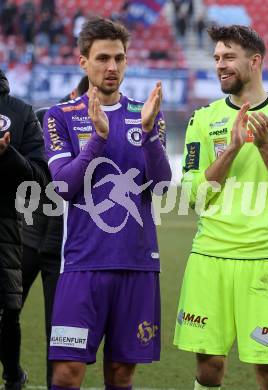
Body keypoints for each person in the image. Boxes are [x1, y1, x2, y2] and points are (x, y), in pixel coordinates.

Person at [174, 25, 268, 390]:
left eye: (229, 57)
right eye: (217, 58)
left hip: (267, 259)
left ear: (255, 62)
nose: (220, 65)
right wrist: (232, 149)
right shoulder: (203, 120)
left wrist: (266, 147)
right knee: (209, 368)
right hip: (210, 258)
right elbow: (194, 196)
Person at [42, 17, 171, 389]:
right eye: (102, 58)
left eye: (119, 58)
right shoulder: (60, 117)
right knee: (66, 374)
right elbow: (64, 186)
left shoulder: (145, 114)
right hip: (83, 264)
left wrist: (147, 135)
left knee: (121, 373)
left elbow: (161, 184)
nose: (111, 67)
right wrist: (98, 139)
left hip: (137, 264)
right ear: (83, 62)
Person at [20, 75, 89, 389]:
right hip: (26, 235)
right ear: (75, 94)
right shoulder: (41, 119)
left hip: (64, 249)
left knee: (58, 333)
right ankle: (11, 372)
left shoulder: (101, 132)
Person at [0, 69, 48, 389]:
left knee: (6, 313)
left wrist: (7, 155)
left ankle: (13, 375)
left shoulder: (18, 112)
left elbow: (41, 179)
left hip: (4, 230)